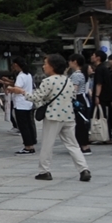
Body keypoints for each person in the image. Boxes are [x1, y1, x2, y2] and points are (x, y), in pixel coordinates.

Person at [29, 53, 90, 182]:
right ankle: (83, 169)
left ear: (53, 66)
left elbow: (36, 97)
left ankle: (44, 171)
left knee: (47, 144)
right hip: (68, 116)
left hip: (52, 116)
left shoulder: (48, 81)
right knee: (73, 144)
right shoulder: (68, 80)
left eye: (46, 64)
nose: (44, 66)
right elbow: (72, 96)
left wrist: (22, 92)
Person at [9, 58, 37, 154]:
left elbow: (18, 89)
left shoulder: (21, 76)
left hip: (21, 103)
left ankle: (28, 146)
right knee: (28, 125)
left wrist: (10, 88)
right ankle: (31, 143)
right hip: (28, 102)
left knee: (23, 126)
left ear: (17, 65)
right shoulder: (28, 75)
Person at [69, 54, 93, 153]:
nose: (69, 63)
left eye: (70, 61)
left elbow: (74, 89)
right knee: (82, 123)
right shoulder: (82, 74)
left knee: (80, 124)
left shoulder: (76, 75)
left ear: (75, 62)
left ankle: (84, 145)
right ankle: (83, 144)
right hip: (83, 99)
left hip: (78, 100)